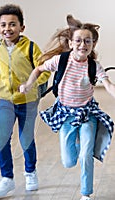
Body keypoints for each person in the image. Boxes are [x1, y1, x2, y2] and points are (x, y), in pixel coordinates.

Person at [20, 15, 115, 200]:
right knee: (69, 161)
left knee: (86, 154)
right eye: (78, 41)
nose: (83, 45)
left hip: (87, 114)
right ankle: (78, 142)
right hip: (66, 115)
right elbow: (39, 69)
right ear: (71, 43)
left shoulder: (94, 66)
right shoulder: (61, 60)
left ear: (93, 44)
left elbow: (108, 84)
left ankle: (86, 194)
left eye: (87, 41)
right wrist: (29, 84)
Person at [0, 4, 50, 198]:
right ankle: (7, 178)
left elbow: (44, 70)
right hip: (5, 100)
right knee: (2, 138)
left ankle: (30, 172)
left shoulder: (31, 47)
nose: (8, 28)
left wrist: (31, 84)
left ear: (22, 27)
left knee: (26, 138)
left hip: (28, 101)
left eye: (12, 24)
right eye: (3, 24)